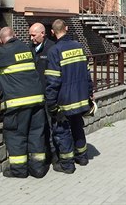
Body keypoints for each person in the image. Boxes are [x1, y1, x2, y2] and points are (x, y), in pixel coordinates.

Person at [0, 27, 48, 178]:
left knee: (16, 135)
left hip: (17, 104)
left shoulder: (2, 52)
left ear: (1, 41)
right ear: (15, 35)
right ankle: (38, 169)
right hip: (37, 100)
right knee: (36, 134)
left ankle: (19, 171)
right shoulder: (27, 48)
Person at [45, 19, 94, 174]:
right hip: (80, 98)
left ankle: (67, 165)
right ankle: (83, 157)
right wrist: (89, 93)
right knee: (78, 127)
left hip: (64, 101)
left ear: (52, 32)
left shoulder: (54, 51)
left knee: (62, 131)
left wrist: (51, 103)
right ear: (66, 28)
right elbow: (87, 74)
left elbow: (53, 80)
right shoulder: (79, 47)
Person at [28, 22, 56, 162]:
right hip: (35, 96)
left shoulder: (52, 49)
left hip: (49, 95)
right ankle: (45, 155)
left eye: (33, 35)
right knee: (40, 128)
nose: (31, 38)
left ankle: (55, 157)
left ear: (43, 34)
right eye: (30, 35)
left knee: (52, 127)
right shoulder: (30, 49)